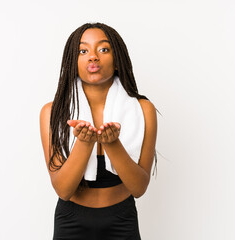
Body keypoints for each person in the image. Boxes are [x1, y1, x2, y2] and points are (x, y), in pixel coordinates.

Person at [39, 22, 157, 240]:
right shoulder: (52, 112)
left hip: (122, 220)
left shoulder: (143, 109)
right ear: (72, 62)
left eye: (103, 49)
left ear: (118, 59)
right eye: (83, 51)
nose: (93, 57)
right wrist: (84, 143)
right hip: (71, 222)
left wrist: (113, 144)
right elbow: (63, 190)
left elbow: (139, 188)